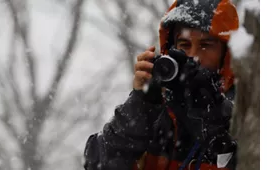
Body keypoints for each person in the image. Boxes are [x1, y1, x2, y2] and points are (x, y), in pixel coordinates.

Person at [83, 0, 239, 169]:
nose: (194, 56)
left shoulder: (249, 113)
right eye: (184, 45)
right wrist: (140, 104)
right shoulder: (156, 112)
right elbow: (98, 164)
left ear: (227, 53)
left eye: (206, 45)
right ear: (170, 49)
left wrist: (219, 128)